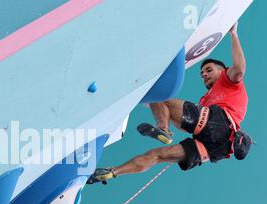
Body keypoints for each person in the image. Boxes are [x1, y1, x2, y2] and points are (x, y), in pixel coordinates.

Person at [88, 22, 248, 185]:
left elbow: (239, 68)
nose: (204, 75)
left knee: (158, 95)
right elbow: (186, 122)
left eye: (208, 70)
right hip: (217, 148)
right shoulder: (205, 100)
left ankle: (163, 130)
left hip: (220, 124)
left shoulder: (228, 80)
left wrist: (234, 34)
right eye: (201, 74)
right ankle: (113, 171)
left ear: (222, 70)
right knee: (157, 155)